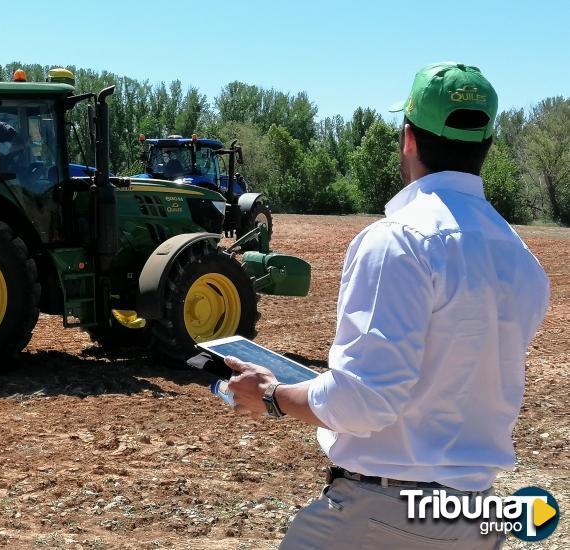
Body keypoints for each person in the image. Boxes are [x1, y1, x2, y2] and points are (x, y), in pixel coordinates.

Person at [224, 62, 550, 548]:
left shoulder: (399, 240)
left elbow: (364, 402)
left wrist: (271, 394)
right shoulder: (520, 258)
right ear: (488, 146)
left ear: (409, 139)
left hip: (385, 518)